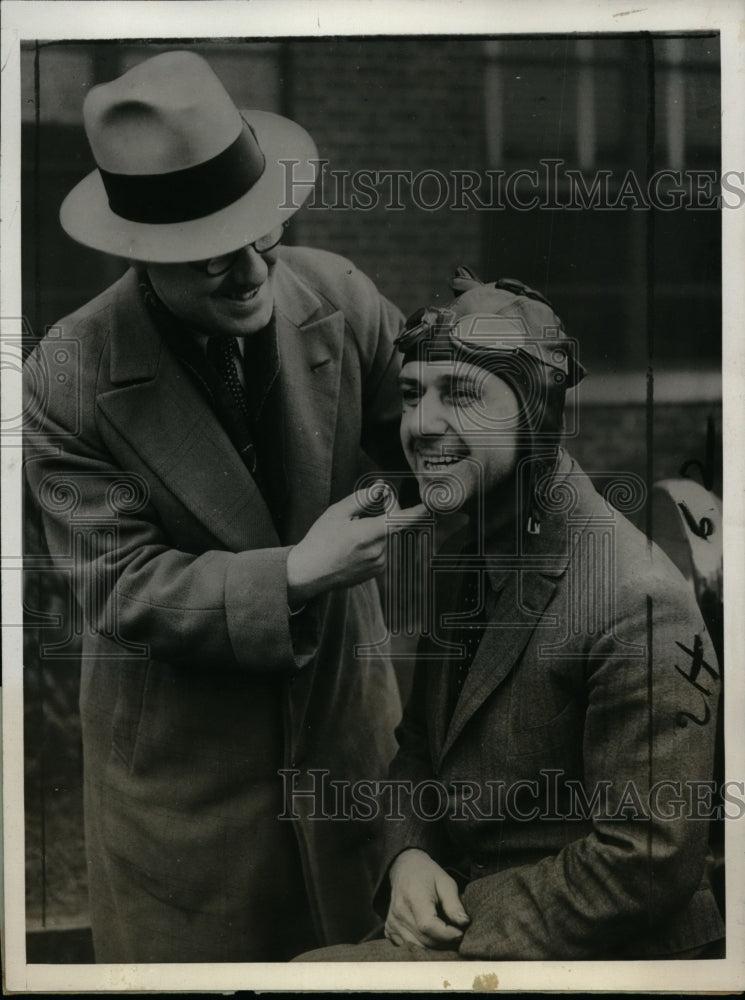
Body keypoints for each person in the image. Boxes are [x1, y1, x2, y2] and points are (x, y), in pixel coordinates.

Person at [23, 50, 426, 963]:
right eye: (213, 256)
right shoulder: (67, 376)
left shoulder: (339, 294)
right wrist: (294, 574)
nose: (251, 273)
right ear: (142, 252)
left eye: (262, 235)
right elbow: (122, 587)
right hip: (185, 795)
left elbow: (433, 440)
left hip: (347, 747)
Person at [295, 271, 725, 961]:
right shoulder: (464, 555)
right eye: (411, 394)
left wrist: (457, 926)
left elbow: (648, 856)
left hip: (602, 953)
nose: (420, 424)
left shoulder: (635, 599)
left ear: (535, 412)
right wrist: (408, 856)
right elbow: (420, 749)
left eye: (461, 394)